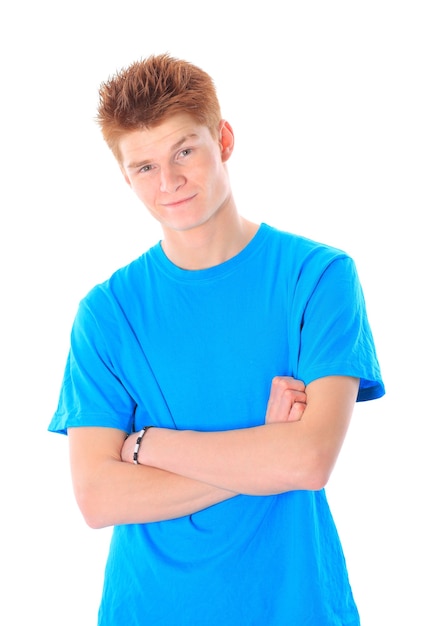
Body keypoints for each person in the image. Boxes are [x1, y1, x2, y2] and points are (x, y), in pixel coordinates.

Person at [48, 53, 385, 625]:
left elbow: (307, 460)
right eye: (145, 166)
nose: (170, 181)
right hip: (150, 609)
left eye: (185, 150)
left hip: (295, 605)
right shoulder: (107, 314)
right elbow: (99, 498)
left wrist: (145, 446)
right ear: (125, 177)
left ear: (223, 138)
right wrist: (262, 452)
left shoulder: (318, 277)